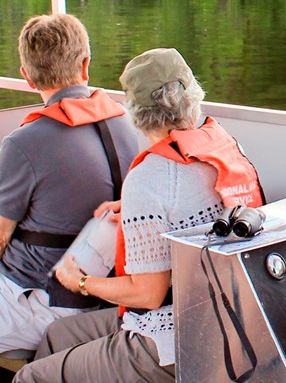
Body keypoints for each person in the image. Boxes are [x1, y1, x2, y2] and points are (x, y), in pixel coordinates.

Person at [14, 47, 265, 383]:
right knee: (58, 335)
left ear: (135, 111)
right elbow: (194, 212)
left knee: (30, 376)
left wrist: (82, 283)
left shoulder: (150, 177)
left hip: (174, 341)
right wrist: (134, 210)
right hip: (229, 320)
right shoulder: (226, 146)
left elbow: (147, 295)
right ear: (193, 93)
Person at [0, 13, 138, 352]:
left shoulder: (23, 143)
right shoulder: (127, 124)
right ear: (85, 64)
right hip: (108, 294)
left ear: (28, 77)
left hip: (42, 304)